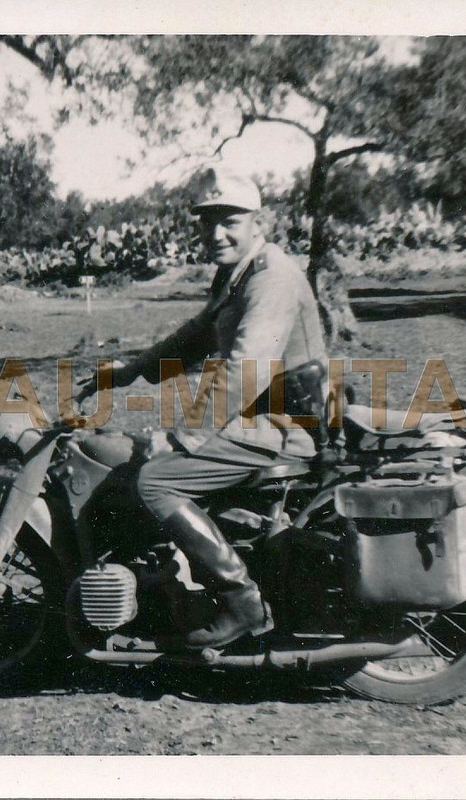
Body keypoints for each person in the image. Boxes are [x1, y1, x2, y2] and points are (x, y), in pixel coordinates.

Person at [77, 167, 328, 649]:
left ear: (261, 222)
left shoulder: (271, 278)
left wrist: (182, 437)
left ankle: (240, 600)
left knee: (156, 480)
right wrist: (129, 372)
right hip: (257, 417)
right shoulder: (239, 273)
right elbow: (195, 337)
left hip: (283, 424)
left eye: (229, 220)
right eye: (206, 221)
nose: (216, 233)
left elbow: (245, 370)